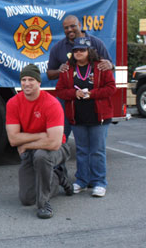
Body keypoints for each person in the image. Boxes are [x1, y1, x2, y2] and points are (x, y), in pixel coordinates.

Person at [6, 64, 72, 219]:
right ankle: (58, 176)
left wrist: (26, 143)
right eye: (24, 79)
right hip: (34, 148)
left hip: (58, 149)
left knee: (42, 156)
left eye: (31, 79)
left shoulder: (51, 103)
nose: (27, 83)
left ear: (39, 82)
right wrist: (42, 135)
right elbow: (13, 139)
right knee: (26, 199)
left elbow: (54, 143)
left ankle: (44, 204)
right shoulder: (13, 103)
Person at [55, 37, 116, 197]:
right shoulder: (67, 68)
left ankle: (99, 182)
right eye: (75, 50)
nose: (78, 53)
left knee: (97, 150)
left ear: (89, 51)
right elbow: (60, 90)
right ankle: (82, 181)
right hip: (77, 116)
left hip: (99, 117)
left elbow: (111, 88)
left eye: (82, 50)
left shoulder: (101, 67)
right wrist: (74, 93)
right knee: (82, 150)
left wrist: (92, 94)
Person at [47, 15, 114, 139]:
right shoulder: (58, 48)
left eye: (73, 26)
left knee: (96, 143)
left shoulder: (96, 43)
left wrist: (110, 64)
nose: (70, 30)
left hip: (93, 99)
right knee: (61, 136)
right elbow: (50, 74)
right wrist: (59, 70)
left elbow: (110, 66)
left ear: (80, 25)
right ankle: (58, 156)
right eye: (66, 28)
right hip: (68, 100)